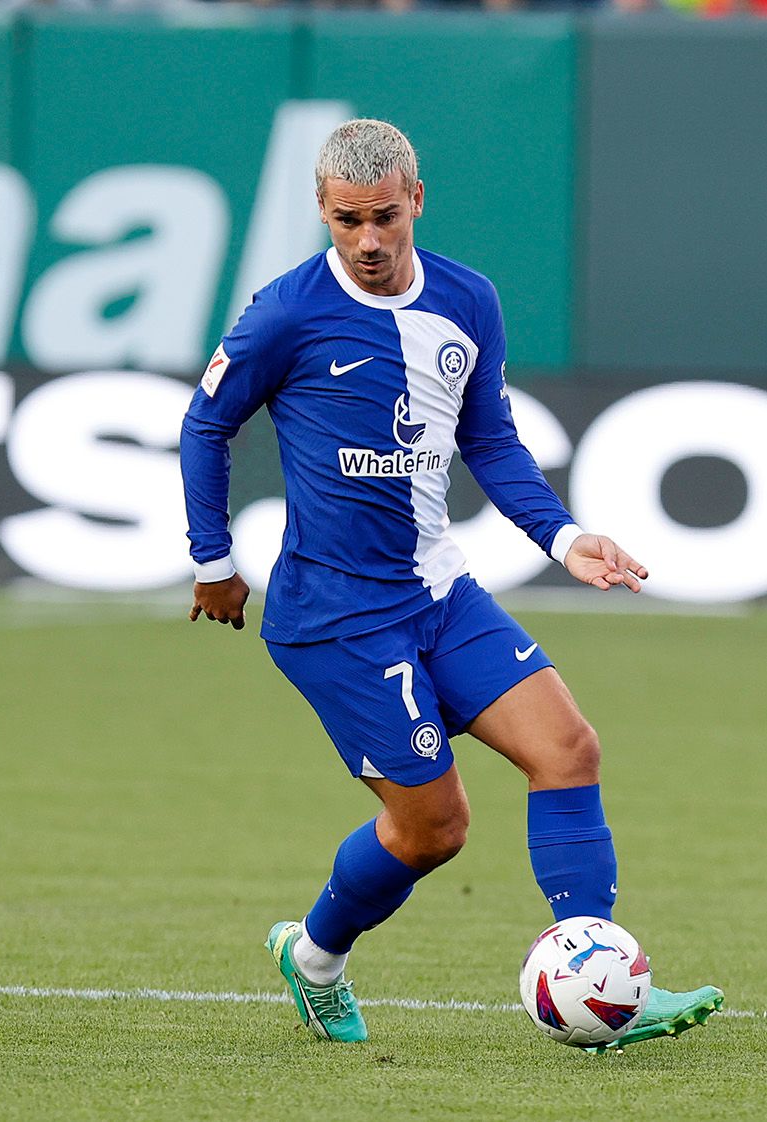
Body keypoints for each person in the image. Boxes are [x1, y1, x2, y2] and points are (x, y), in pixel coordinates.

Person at [180, 118, 722, 1048]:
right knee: (434, 830)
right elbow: (204, 425)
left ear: (415, 200)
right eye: (347, 221)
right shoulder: (282, 312)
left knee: (568, 750)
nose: (369, 240)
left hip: (437, 591)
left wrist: (563, 539)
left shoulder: (467, 301)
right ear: (321, 211)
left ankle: (598, 980)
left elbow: (489, 440)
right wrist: (213, 562)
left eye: (384, 216)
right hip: (336, 617)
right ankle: (312, 959)